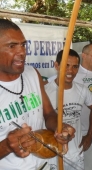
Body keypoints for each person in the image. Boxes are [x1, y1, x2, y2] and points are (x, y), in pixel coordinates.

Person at [0, 19, 75, 169]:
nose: (21, 52)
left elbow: (48, 114)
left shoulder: (32, 73)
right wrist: (7, 145)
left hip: (45, 164)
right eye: (12, 46)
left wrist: (60, 129)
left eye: (23, 44)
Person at [45, 49, 92, 169]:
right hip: (53, 155)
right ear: (56, 65)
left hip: (76, 154)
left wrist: (90, 135)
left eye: (75, 67)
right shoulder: (45, 91)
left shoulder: (82, 90)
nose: (70, 71)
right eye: (66, 65)